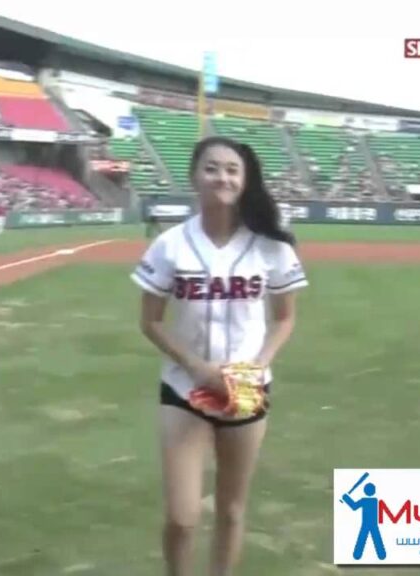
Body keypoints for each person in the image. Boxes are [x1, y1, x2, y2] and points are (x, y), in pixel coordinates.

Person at [130, 136, 308, 576]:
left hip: (247, 390)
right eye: (212, 167)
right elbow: (150, 321)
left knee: (230, 509)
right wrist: (197, 367)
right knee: (182, 516)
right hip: (184, 388)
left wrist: (258, 365)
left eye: (232, 169)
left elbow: (284, 319)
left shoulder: (270, 246)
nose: (222, 176)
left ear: (244, 180)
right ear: (194, 176)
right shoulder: (170, 244)